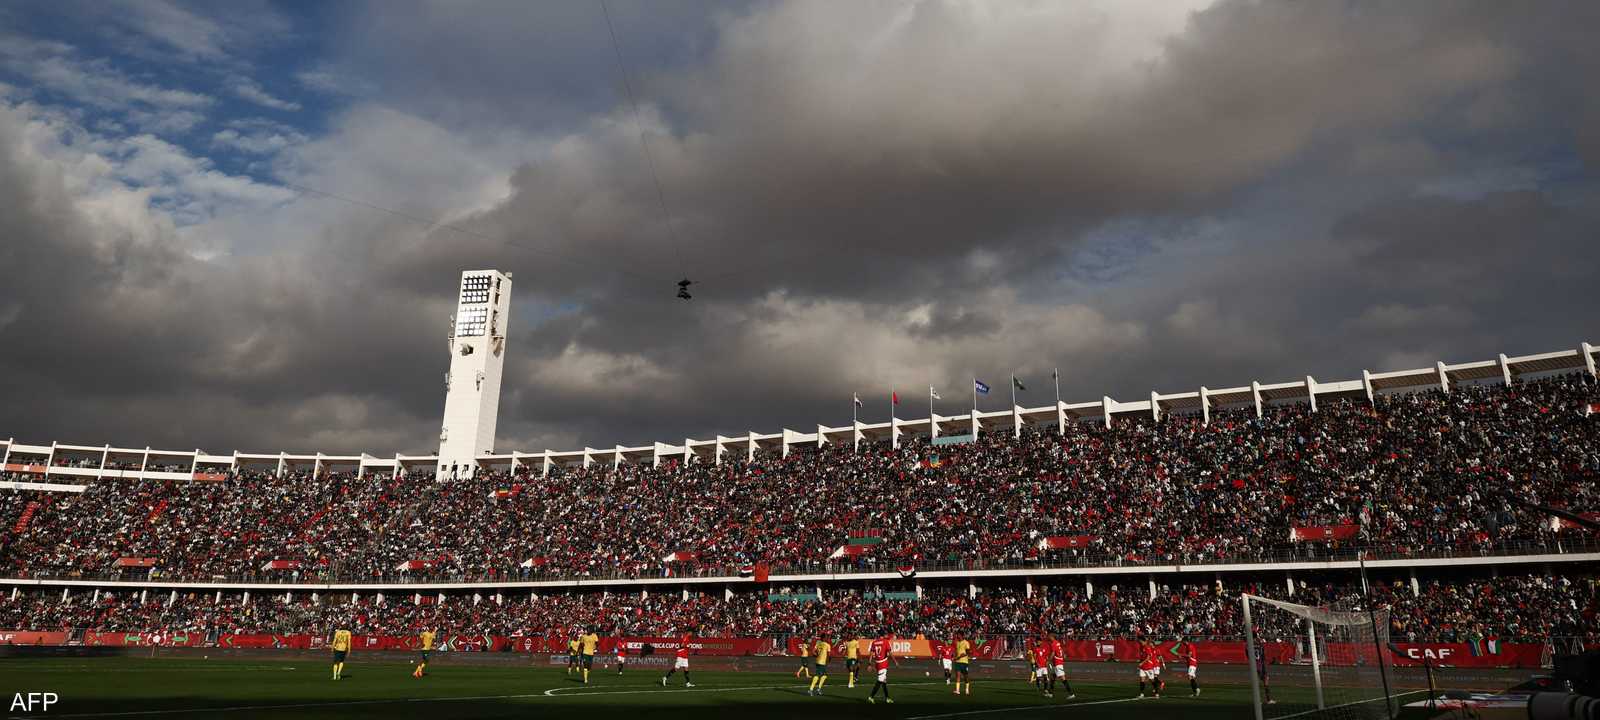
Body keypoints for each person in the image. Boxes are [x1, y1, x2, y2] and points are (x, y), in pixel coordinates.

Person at [865, 632, 894, 704]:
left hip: (877, 663)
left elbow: (871, 653)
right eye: (886, 634)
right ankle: (871, 697)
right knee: (880, 680)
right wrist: (895, 661)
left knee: (884, 682)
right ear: (883, 635)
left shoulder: (874, 642)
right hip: (883, 664)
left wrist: (869, 663)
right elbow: (890, 653)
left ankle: (887, 698)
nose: (887, 635)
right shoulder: (885, 641)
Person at [1049, 633, 1073, 699]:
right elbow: (1061, 649)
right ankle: (1050, 693)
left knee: (1063, 678)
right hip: (1056, 663)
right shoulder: (1057, 642)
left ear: (1052, 637)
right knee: (1052, 678)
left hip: (1057, 663)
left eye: (1049, 636)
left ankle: (1071, 694)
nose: (1049, 637)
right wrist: (1063, 654)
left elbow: (1053, 653)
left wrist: (1048, 660)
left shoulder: (1053, 643)